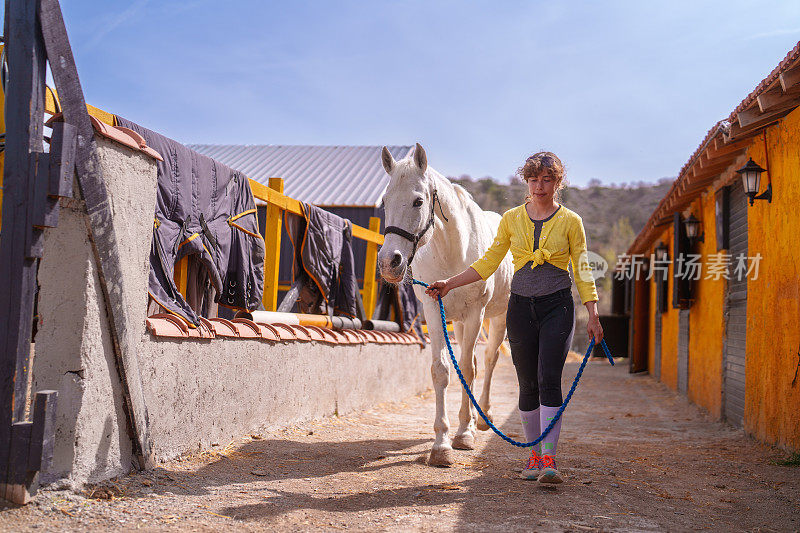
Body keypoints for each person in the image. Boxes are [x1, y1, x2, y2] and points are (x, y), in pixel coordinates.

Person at [425, 152, 603, 484]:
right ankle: (533, 458)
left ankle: (549, 459)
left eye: (547, 180)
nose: (539, 186)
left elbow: (582, 270)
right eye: (534, 179)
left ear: (557, 182)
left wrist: (593, 314)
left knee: (549, 379)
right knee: (528, 385)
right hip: (520, 308)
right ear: (527, 181)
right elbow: (488, 263)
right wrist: (449, 284)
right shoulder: (511, 219)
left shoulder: (571, 221)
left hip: (558, 307)